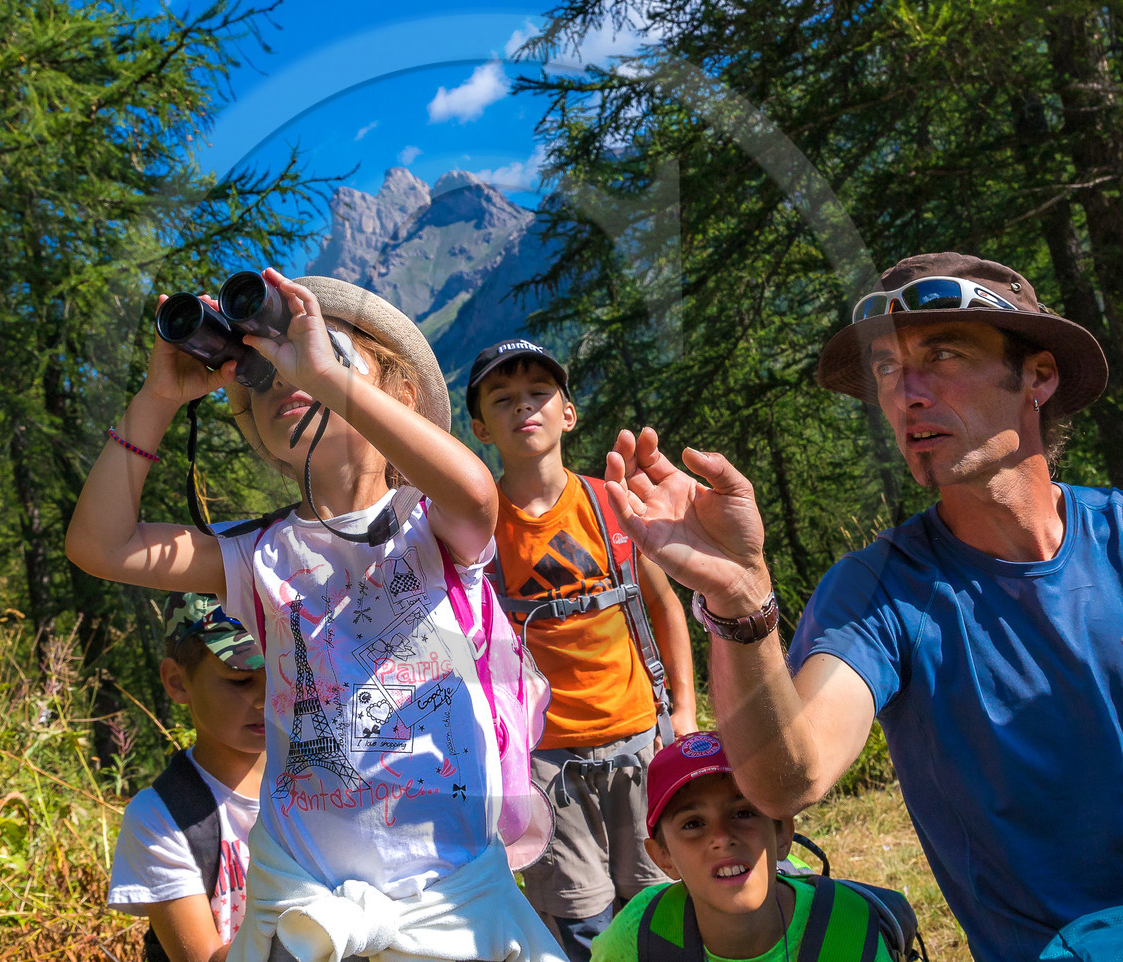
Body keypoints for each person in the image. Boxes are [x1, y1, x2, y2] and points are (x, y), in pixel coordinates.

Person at [598, 253, 1123, 962]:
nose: (909, 394)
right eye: (890, 369)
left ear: (1038, 376)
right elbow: (787, 779)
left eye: (945, 354)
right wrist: (739, 601)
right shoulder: (881, 591)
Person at [66, 269, 564, 962]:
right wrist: (158, 397)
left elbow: (477, 491)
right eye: (261, 380)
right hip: (302, 913)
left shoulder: (434, 525)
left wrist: (324, 377)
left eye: (326, 352)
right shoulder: (255, 553)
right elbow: (100, 545)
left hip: (450, 911)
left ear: (398, 395)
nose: (287, 378)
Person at [467, 339, 698, 959]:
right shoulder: (477, 528)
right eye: (504, 398)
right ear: (480, 426)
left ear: (568, 412)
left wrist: (685, 720)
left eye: (539, 394)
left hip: (642, 740)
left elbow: (664, 607)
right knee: (581, 922)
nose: (525, 408)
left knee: (661, 905)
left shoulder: (608, 503)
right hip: (544, 763)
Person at [591, 730, 896, 962]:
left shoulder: (848, 930)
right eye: (693, 824)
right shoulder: (640, 933)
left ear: (782, 833)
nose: (722, 837)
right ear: (663, 858)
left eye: (743, 813)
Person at [109, 594, 267, 961]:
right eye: (241, 681)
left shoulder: (321, 787)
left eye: (281, 673)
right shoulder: (160, 817)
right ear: (178, 682)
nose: (266, 698)